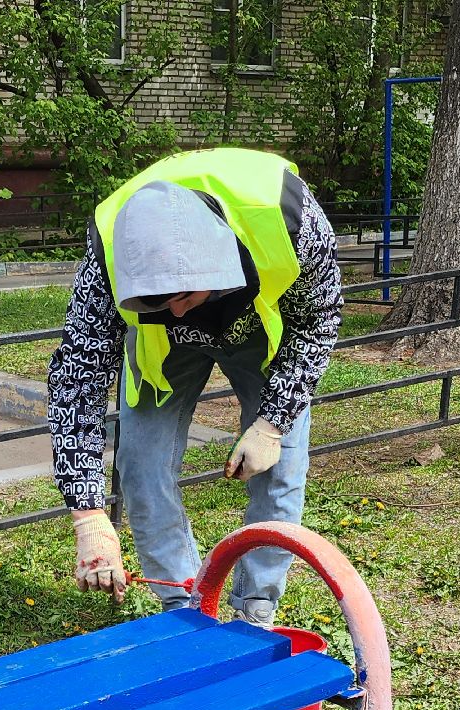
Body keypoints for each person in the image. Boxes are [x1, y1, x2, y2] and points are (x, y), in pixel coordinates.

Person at [46, 147, 342, 628]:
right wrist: (88, 515)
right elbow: (78, 378)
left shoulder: (289, 218)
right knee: (141, 463)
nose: (177, 310)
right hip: (161, 347)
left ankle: (257, 608)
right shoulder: (106, 255)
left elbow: (320, 320)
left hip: (263, 331)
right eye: (158, 299)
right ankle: (182, 608)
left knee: (282, 464)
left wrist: (272, 421)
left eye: (182, 295)